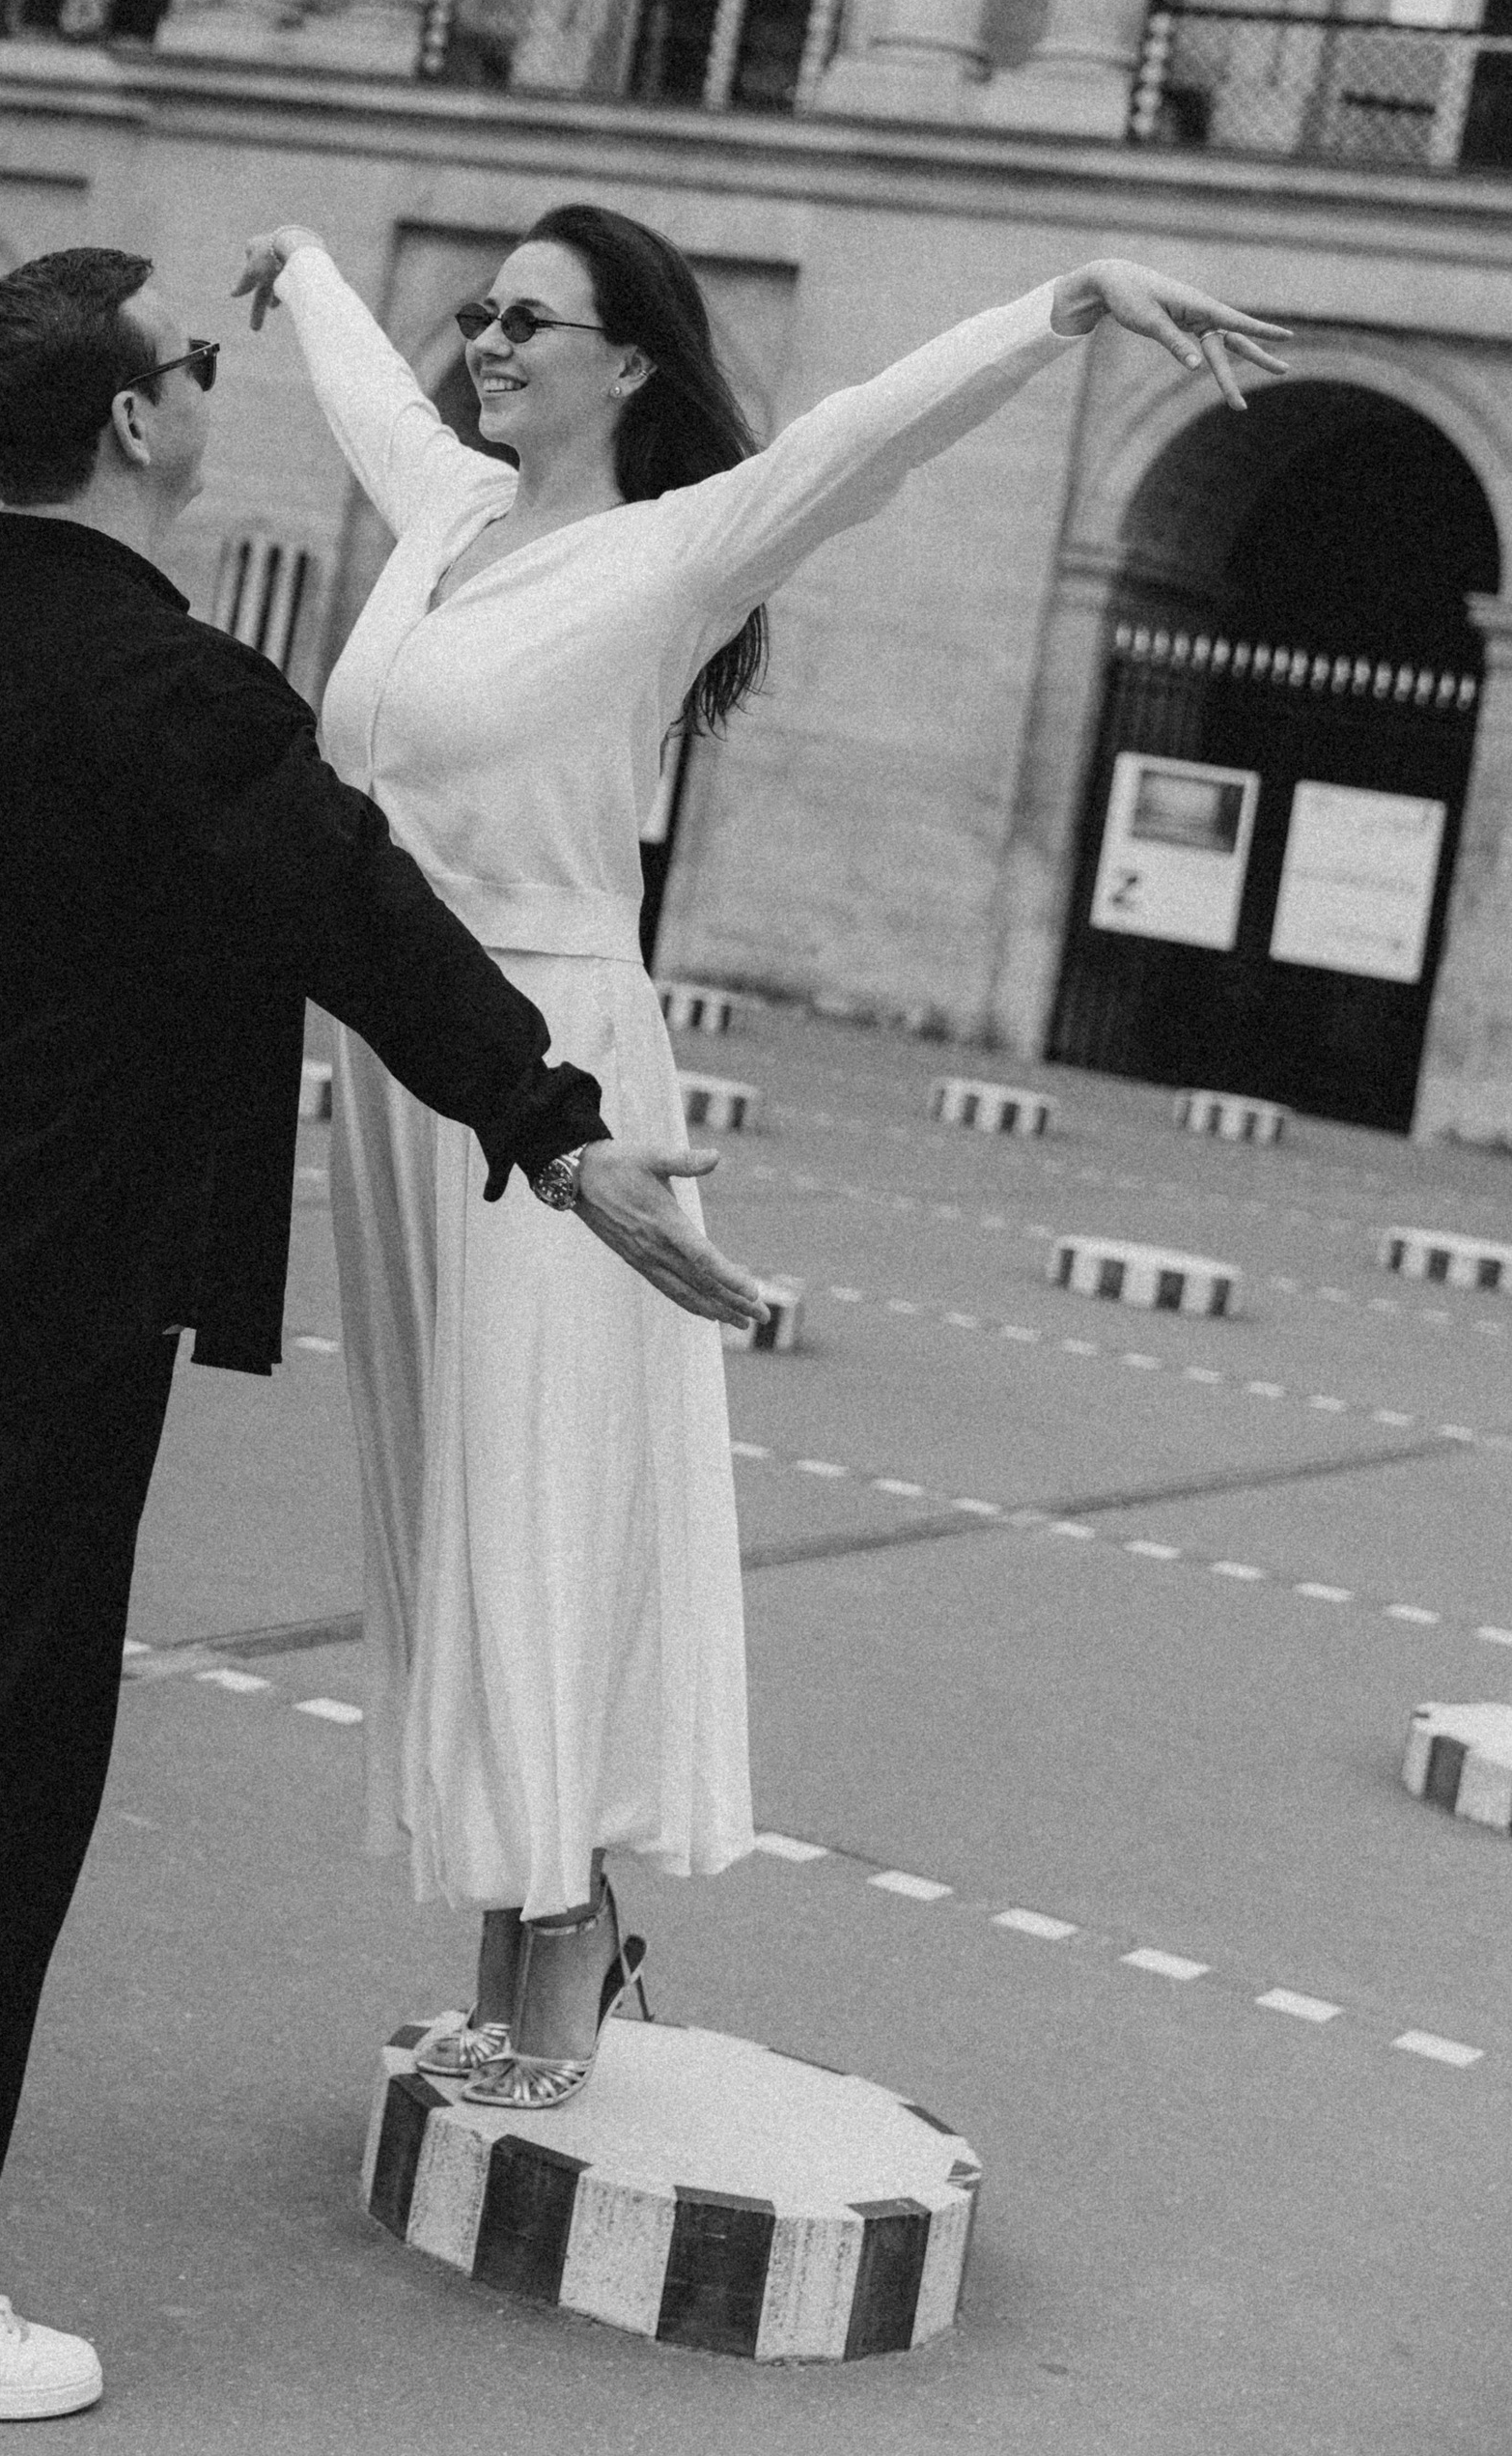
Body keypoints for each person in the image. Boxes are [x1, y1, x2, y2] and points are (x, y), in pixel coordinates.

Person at [0, 244, 764, 2425]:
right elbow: (359, 914)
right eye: (196, 366)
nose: (214, 386)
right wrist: (559, 1129)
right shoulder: (177, 689)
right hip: (60, 1286)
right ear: (132, 421)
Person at [235, 212, 1287, 2105]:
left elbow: (861, 436)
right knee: (453, 1502)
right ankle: (510, 1929)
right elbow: (364, 390)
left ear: (628, 361)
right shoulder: (450, 509)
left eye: (526, 319)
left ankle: (562, 1944)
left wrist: (1064, 303)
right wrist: (303, 257)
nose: (486, 341)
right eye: (479, 310)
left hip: (555, 1063)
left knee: (537, 1497)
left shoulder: (677, 552)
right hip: (400, 1071)